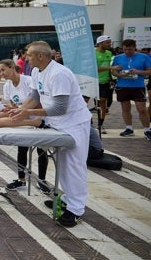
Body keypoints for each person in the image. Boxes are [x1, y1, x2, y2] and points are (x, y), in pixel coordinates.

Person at [8, 41, 91, 228]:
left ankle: (76, 210)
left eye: (28, 55)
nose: (25, 58)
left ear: (40, 56)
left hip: (74, 124)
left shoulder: (59, 74)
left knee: (74, 167)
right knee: (62, 165)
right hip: (58, 125)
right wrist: (21, 110)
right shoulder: (37, 72)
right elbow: (35, 97)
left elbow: (60, 107)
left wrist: (29, 113)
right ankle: (67, 201)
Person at [0, 59, 50, 194]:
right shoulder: (7, 87)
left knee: (41, 151)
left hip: (40, 118)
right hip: (25, 121)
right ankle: (21, 179)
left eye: (3, 70)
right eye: (0, 71)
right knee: (22, 148)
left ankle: (42, 181)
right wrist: (12, 109)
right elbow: (15, 106)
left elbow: (39, 101)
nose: (1, 74)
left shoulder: (28, 81)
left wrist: (25, 111)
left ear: (12, 67)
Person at [111, 39, 151, 138]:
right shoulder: (118, 58)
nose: (127, 52)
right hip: (122, 86)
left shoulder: (144, 57)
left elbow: (149, 71)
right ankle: (129, 128)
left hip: (138, 86)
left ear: (134, 47)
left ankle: (147, 130)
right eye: (125, 49)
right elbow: (113, 72)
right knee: (125, 108)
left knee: (141, 109)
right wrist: (121, 74)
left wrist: (138, 72)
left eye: (130, 49)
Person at [95, 35, 118, 132]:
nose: (110, 44)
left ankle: (100, 124)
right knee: (92, 104)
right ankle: (90, 123)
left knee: (103, 103)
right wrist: (111, 68)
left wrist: (111, 79)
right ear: (100, 43)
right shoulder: (93, 54)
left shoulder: (109, 53)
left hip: (105, 82)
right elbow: (95, 69)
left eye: (110, 42)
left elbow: (108, 66)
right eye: (107, 42)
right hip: (94, 82)